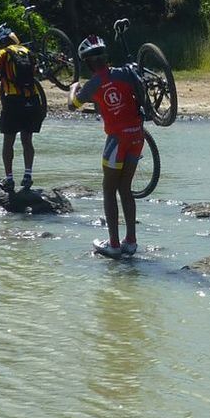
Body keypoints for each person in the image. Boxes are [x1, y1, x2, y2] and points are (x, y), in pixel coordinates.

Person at [68, 35, 144, 259]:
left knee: (109, 190)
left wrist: (73, 88)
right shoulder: (124, 72)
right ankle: (130, 241)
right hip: (137, 136)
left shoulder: (93, 83)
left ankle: (113, 245)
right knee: (126, 189)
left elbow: (73, 106)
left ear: (88, 62)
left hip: (116, 141)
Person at [0, 23, 45, 192]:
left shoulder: (2, 53)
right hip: (32, 100)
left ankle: (9, 179)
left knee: (8, 142)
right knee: (27, 140)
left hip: (13, 101)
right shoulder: (26, 51)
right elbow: (35, 74)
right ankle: (28, 175)